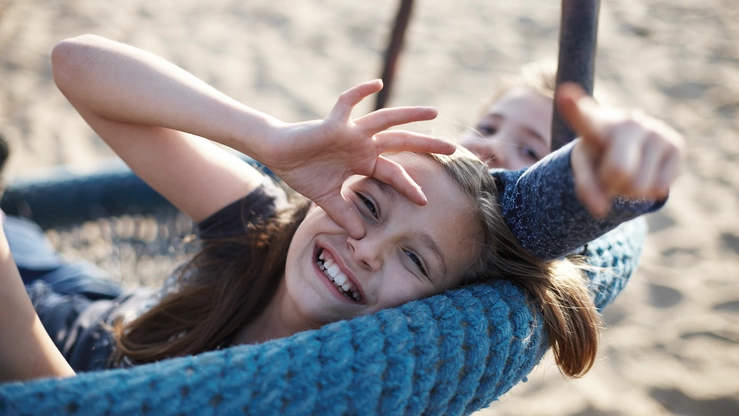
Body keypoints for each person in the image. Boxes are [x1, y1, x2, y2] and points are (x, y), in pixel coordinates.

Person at [0, 35, 682, 384]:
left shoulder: (363, 380)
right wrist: (265, 138)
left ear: (439, 302)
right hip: (74, 297)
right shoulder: (268, 222)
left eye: (414, 258)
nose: (366, 245)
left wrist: (616, 180)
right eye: (369, 204)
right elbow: (75, 65)